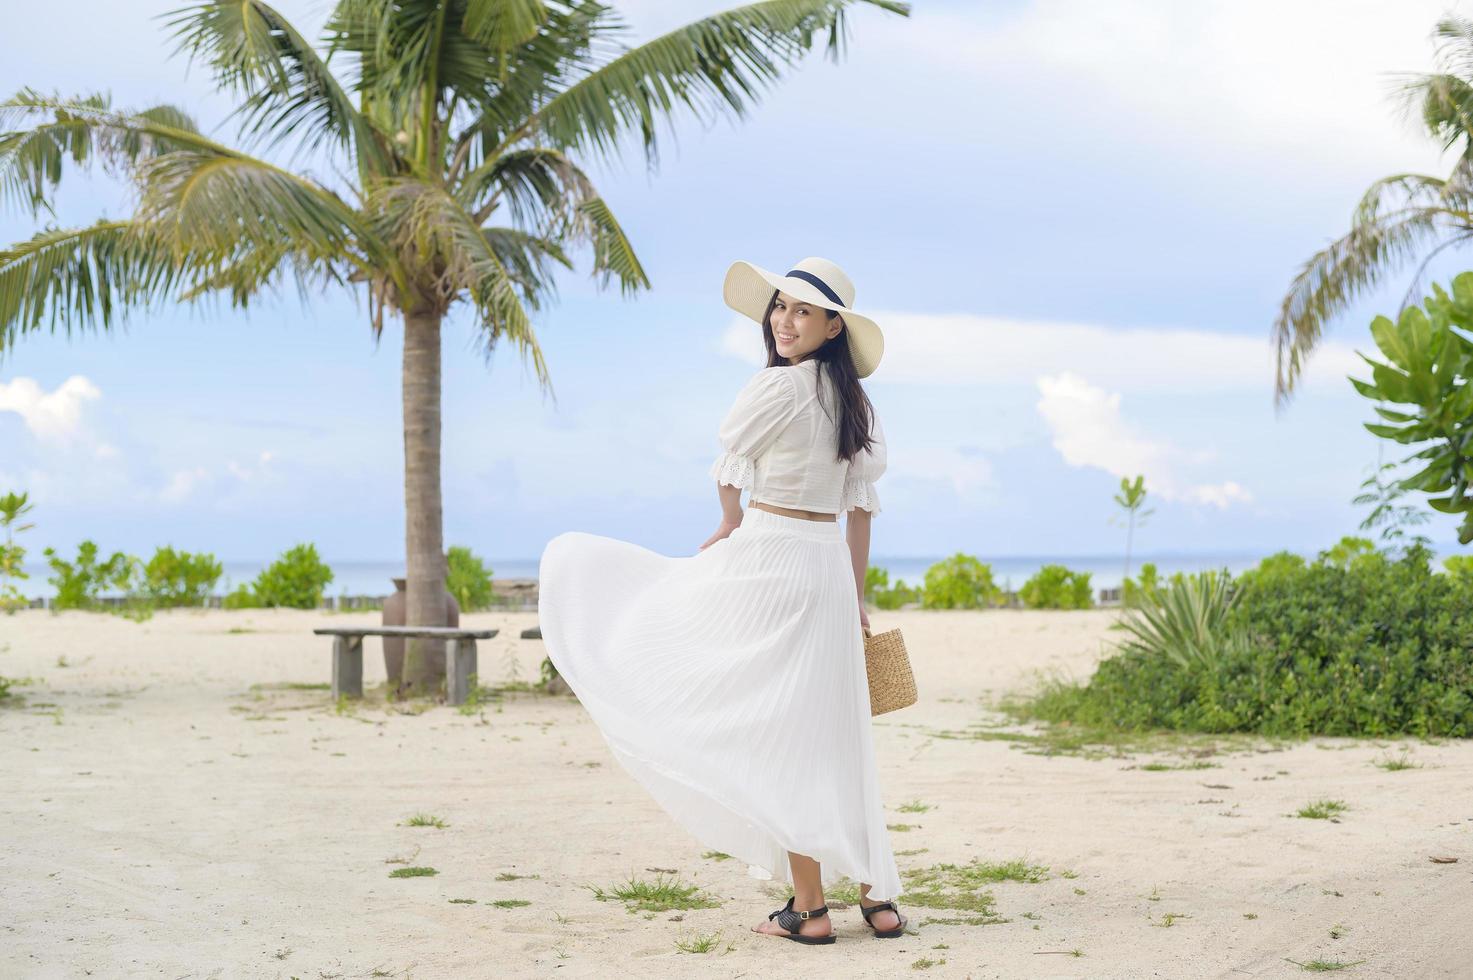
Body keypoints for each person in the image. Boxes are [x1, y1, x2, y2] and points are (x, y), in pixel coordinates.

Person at [537, 256, 906, 945]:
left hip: (771, 555)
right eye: (779, 307)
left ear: (833, 327)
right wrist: (854, 598)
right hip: (824, 569)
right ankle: (877, 900)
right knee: (838, 732)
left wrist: (731, 522)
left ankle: (810, 910)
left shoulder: (777, 388)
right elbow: (858, 510)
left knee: (781, 734)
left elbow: (730, 465)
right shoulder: (858, 407)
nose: (784, 320)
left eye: (802, 310)